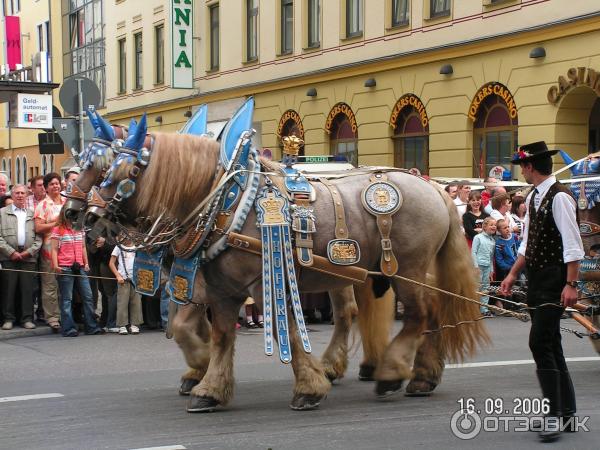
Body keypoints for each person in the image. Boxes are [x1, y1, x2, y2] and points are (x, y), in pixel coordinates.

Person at [501, 141, 584, 442]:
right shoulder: (534, 196)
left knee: (540, 343)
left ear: (530, 166)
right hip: (536, 278)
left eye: (522, 165)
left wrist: (571, 284)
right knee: (551, 343)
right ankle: (567, 413)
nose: (521, 170)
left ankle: (554, 414)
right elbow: (527, 244)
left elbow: (574, 245)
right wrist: (512, 273)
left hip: (554, 277)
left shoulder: (559, 197)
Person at [51, 209, 102, 337]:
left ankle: (91, 326)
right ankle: (68, 328)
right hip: (65, 267)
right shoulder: (58, 229)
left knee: (88, 296)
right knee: (67, 299)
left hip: (79, 267)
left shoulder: (80, 229)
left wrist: (86, 263)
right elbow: (54, 249)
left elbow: (83, 247)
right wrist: (56, 265)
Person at [0, 185, 42, 330]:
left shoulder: (32, 214)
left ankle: (27, 319)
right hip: (8, 257)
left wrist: (28, 252)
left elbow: (39, 238)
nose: (20, 195)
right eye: (17, 193)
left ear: (26, 195)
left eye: (22, 193)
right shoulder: (2, 213)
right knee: (8, 289)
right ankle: (8, 319)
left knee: (28, 289)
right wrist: (10, 252)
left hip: (28, 258)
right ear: (12, 195)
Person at [35, 173, 67, 331]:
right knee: (50, 284)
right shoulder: (43, 205)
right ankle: (52, 318)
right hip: (49, 248)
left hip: (67, 247)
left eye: (57, 183)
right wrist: (56, 223)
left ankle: (65, 315)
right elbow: (38, 227)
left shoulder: (67, 202)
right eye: (52, 184)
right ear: (46, 188)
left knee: (66, 284)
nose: (56, 186)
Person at [108, 244, 142, 335]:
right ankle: (122, 325)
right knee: (122, 303)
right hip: (123, 279)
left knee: (136, 302)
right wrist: (118, 275)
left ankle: (135, 324)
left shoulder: (138, 247)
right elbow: (111, 263)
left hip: (135, 279)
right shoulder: (118, 247)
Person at [471, 217, 496, 317]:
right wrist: (475, 266)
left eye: (495, 225)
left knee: (486, 288)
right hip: (478, 266)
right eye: (491, 225)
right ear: (484, 226)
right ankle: (472, 309)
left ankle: (484, 309)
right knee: (476, 287)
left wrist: (491, 270)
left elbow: (491, 257)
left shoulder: (492, 241)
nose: (494, 226)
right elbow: (473, 252)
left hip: (487, 267)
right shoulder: (478, 237)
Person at [494, 219, 519, 309]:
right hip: (507, 268)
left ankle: (518, 305)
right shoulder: (499, 243)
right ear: (499, 231)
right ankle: (509, 305)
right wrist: (507, 267)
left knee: (519, 285)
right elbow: (499, 259)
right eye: (504, 228)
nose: (507, 229)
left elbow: (519, 248)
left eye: (508, 226)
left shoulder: (514, 237)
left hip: (517, 266)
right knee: (508, 287)